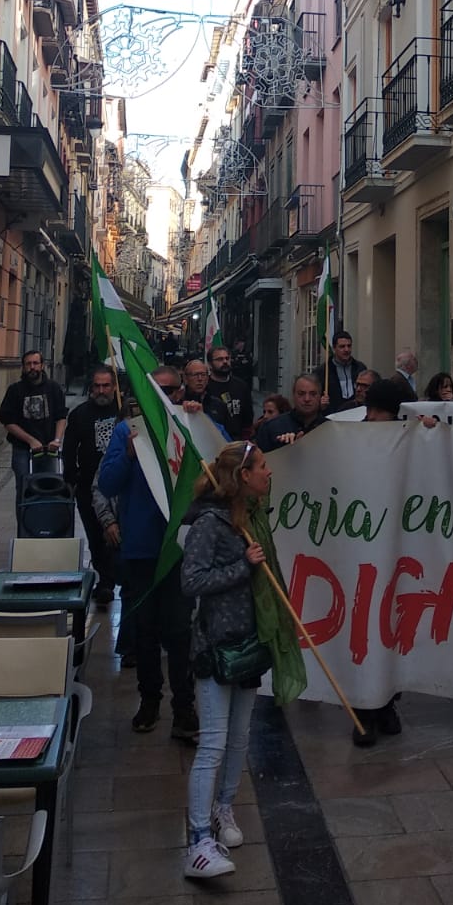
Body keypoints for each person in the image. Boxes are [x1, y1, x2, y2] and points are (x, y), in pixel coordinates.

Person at [181, 439, 304, 878]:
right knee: (213, 743)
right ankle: (198, 840)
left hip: (250, 641)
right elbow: (191, 580)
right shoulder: (209, 524)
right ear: (243, 476)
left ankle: (223, 807)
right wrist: (243, 567)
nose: (269, 473)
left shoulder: (250, 518)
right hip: (217, 644)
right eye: (262, 467)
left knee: (239, 738)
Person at [98, 365, 198, 742]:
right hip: (141, 547)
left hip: (180, 546)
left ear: (180, 393)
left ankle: (184, 706)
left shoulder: (189, 425)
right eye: (156, 390)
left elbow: (223, 461)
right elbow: (107, 483)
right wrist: (127, 454)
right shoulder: (128, 430)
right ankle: (150, 700)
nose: (163, 397)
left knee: (180, 630)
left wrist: (201, 421)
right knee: (145, 630)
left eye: (170, 391)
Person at [351, 379, 407, 746]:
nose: (372, 416)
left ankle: (386, 703)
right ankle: (363, 709)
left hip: (396, 550)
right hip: (362, 552)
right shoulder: (353, 438)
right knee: (366, 630)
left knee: (392, 629)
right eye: (371, 410)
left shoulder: (405, 438)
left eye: (380, 411)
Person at [61, 366, 123, 607]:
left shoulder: (123, 411)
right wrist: (72, 477)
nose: (101, 390)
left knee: (116, 535)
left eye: (106, 385)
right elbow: (69, 448)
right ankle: (105, 580)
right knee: (95, 535)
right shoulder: (80, 414)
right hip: (88, 486)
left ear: (114, 387)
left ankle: (116, 576)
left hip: (118, 485)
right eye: (97, 386)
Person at [0, 350, 67, 516]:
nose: (32, 367)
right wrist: (30, 440)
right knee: (24, 488)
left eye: (35, 363)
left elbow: (61, 417)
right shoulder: (15, 390)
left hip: (48, 448)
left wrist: (57, 439)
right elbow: (8, 421)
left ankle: (46, 522)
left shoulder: (53, 388)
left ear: (42, 366)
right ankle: (25, 525)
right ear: (23, 367)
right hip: (23, 449)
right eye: (28, 364)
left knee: (49, 486)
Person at [257, 375, 328, 450]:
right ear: (293, 396)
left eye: (313, 394)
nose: (307, 399)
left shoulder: (329, 428)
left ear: (320, 396)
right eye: (301, 394)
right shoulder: (271, 428)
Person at [203, 344, 254, 440]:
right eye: (220, 359)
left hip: (236, 440)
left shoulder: (241, 386)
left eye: (227, 358)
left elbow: (248, 418)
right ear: (209, 364)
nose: (225, 362)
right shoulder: (205, 387)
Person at [318, 330, 367, 411]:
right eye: (342, 346)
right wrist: (321, 403)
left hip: (356, 413)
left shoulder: (360, 368)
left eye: (349, 346)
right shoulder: (323, 371)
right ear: (334, 348)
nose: (346, 349)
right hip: (333, 414)